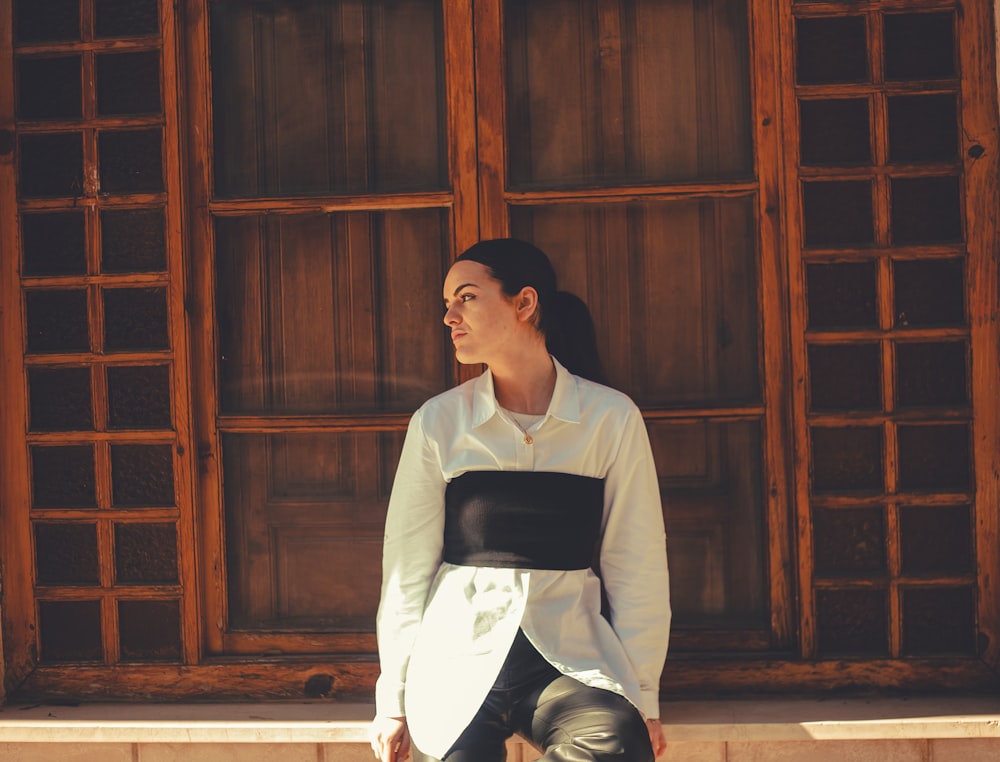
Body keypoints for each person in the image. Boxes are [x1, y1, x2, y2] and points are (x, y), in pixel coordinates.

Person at [369, 238, 671, 762]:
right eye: (447, 303)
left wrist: (643, 695)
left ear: (524, 304)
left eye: (465, 297)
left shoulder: (611, 418)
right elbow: (405, 569)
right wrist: (392, 701)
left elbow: (637, 561)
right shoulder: (440, 423)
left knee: (616, 748)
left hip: (571, 665)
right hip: (455, 666)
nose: (449, 316)